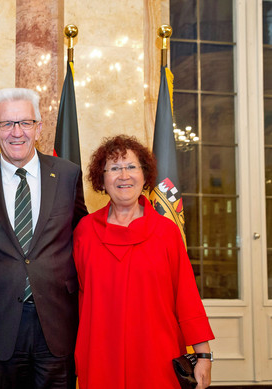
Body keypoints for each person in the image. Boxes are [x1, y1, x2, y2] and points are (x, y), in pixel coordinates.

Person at [0, 88, 88, 388]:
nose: (16, 132)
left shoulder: (68, 175)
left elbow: (84, 238)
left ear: (39, 128)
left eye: (25, 123)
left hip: (57, 325)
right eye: (6, 124)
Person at [73, 134, 215, 389]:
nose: (124, 176)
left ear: (145, 175)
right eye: (114, 168)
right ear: (102, 179)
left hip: (157, 355)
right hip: (100, 354)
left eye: (131, 167)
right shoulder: (84, 231)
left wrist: (203, 355)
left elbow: (186, 296)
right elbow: (78, 296)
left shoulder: (166, 232)